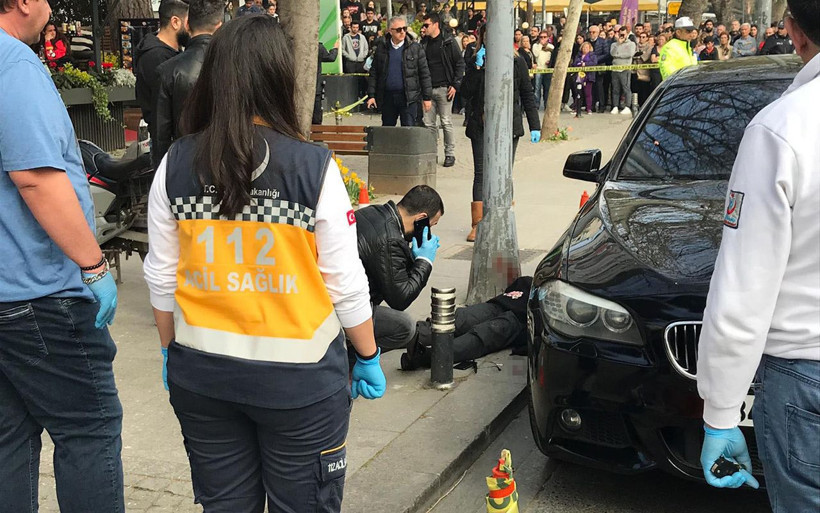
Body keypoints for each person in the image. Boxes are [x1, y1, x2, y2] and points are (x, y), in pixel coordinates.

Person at [144, 15, 384, 511]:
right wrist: (368, 354)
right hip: (299, 386)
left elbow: (162, 276)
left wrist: (170, 350)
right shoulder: (313, 168)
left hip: (203, 379)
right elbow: (344, 282)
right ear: (279, 77)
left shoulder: (175, 164)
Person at [697, 2, 820, 511]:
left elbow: (744, 289)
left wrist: (721, 413)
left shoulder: (784, 129)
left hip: (806, 377)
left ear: (792, 30)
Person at [0, 0, 123, 510]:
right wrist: (92, 264)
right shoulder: (13, 65)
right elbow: (35, 177)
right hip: (41, 294)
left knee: (9, 437)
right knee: (89, 430)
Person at [462, 24, 540, 242]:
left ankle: (504, 220)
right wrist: (477, 68)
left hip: (508, 126)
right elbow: (465, 92)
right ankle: (478, 223)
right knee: (481, 173)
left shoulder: (517, 61)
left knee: (504, 173)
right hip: (481, 124)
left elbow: (527, 94)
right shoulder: (475, 60)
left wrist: (535, 125)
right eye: (488, 36)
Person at [354, 186, 443, 353]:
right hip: (345, 308)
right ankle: (355, 357)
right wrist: (424, 261)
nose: (429, 232)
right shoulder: (391, 241)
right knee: (405, 327)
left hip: (336, 295)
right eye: (430, 225)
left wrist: (410, 257)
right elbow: (400, 299)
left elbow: (392, 273)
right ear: (421, 218)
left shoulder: (375, 211)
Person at [401, 276, 533, 370]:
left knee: (482, 335)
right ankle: (405, 335)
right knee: (459, 319)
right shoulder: (527, 282)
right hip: (500, 305)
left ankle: (427, 356)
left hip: (520, 319)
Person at [153, 0, 223, 169]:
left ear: (187, 25)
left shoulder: (168, 70)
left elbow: (161, 134)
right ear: (220, 27)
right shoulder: (236, 66)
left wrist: (163, 172)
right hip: (225, 164)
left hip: (184, 163)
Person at [135, 0, 189, 145]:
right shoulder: (156, 57)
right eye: (188, 22)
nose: (190, 28)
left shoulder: (166, 53)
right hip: (167, 141)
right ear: (175, 22)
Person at [367, 16, 432, 126]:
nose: (402, 32)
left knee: (408, 129)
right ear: (390, 31)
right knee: (388, 129)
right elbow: (374, 73)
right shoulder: (382, 48)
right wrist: (371, 95)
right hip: (388, 97)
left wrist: (427, 97)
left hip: (408, 98)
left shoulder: (415, 48)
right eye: (398, 29)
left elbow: (424, 74)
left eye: (404, 29)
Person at [421, 12, 465, 168]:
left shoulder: (448, 42)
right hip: (427, 90)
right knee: (429, 124)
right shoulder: (424, 43)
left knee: (446, 122)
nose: (424, 28)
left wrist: (455, 84)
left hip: (444, 88)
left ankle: (449, 154)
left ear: (435, 25)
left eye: (426, 25)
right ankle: (431, 153)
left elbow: (460, 63)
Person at [609, 25, 636, 115]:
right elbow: (612, 53)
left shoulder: (631, 44)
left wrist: (618, 55)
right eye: (620, 34)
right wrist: (618, 44)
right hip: (615, 68)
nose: (622, 36)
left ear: (627, 34)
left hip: (625, 68)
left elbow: (629, 54)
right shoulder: (614, 44)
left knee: (626, 88)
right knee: (615, 89)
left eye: (623, 34)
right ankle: (615, 106)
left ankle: (627, 106)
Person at [313, 39, 339, 125]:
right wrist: (335, 49)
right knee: (316, 115)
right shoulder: (318, 47)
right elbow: (331, 58)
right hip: (315, 86)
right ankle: (317, 132)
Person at [588, 24, 610, 113]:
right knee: (591, 87)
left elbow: (606, 54)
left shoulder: (603, 42)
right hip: (589, 67)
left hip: (599, 66)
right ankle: (591, 106)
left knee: (599, 87)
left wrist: (595, 60)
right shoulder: (587, 42)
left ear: (597, 33)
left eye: (593, 32)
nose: (592, 34)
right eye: (590, 32)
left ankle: (602, 106)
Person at [573, 40, 598, 114]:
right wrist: (580, 64)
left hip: (588, 76)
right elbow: (575, 63)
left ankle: (589, 108)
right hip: (579, 76)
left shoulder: (593, 55)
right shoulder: (578, 55)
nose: (585, 49)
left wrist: (585, 64)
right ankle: (576, 108)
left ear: (590, 48)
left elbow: (594, 63)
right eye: (583, 47)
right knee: (578, 93)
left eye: (587, 47)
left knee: (588, 93)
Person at [532, 29, 554, 110]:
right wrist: (540, 45)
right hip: (538, 69)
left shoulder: (551, 46)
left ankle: (546, 104)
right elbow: (536, 54)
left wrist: (550, 62)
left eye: (544, 37)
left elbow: (553, 57)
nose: (543, 39)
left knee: (547, 88)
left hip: (547, 69)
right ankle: (536, 104)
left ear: (548, 38)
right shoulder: (535, 45)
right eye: (541, 37)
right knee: (537, 88)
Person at [634, 31, 653, 108]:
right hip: (635, 71)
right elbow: (633, 55)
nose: (641, 38)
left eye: (643, 37)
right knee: (637, 91)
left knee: (645, 91)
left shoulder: (650, 47)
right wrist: (639, 55)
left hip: (645, 72)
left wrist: (638, 56)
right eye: (640, 37)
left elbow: (644, 58)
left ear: (647, 38)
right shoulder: (636, 46)